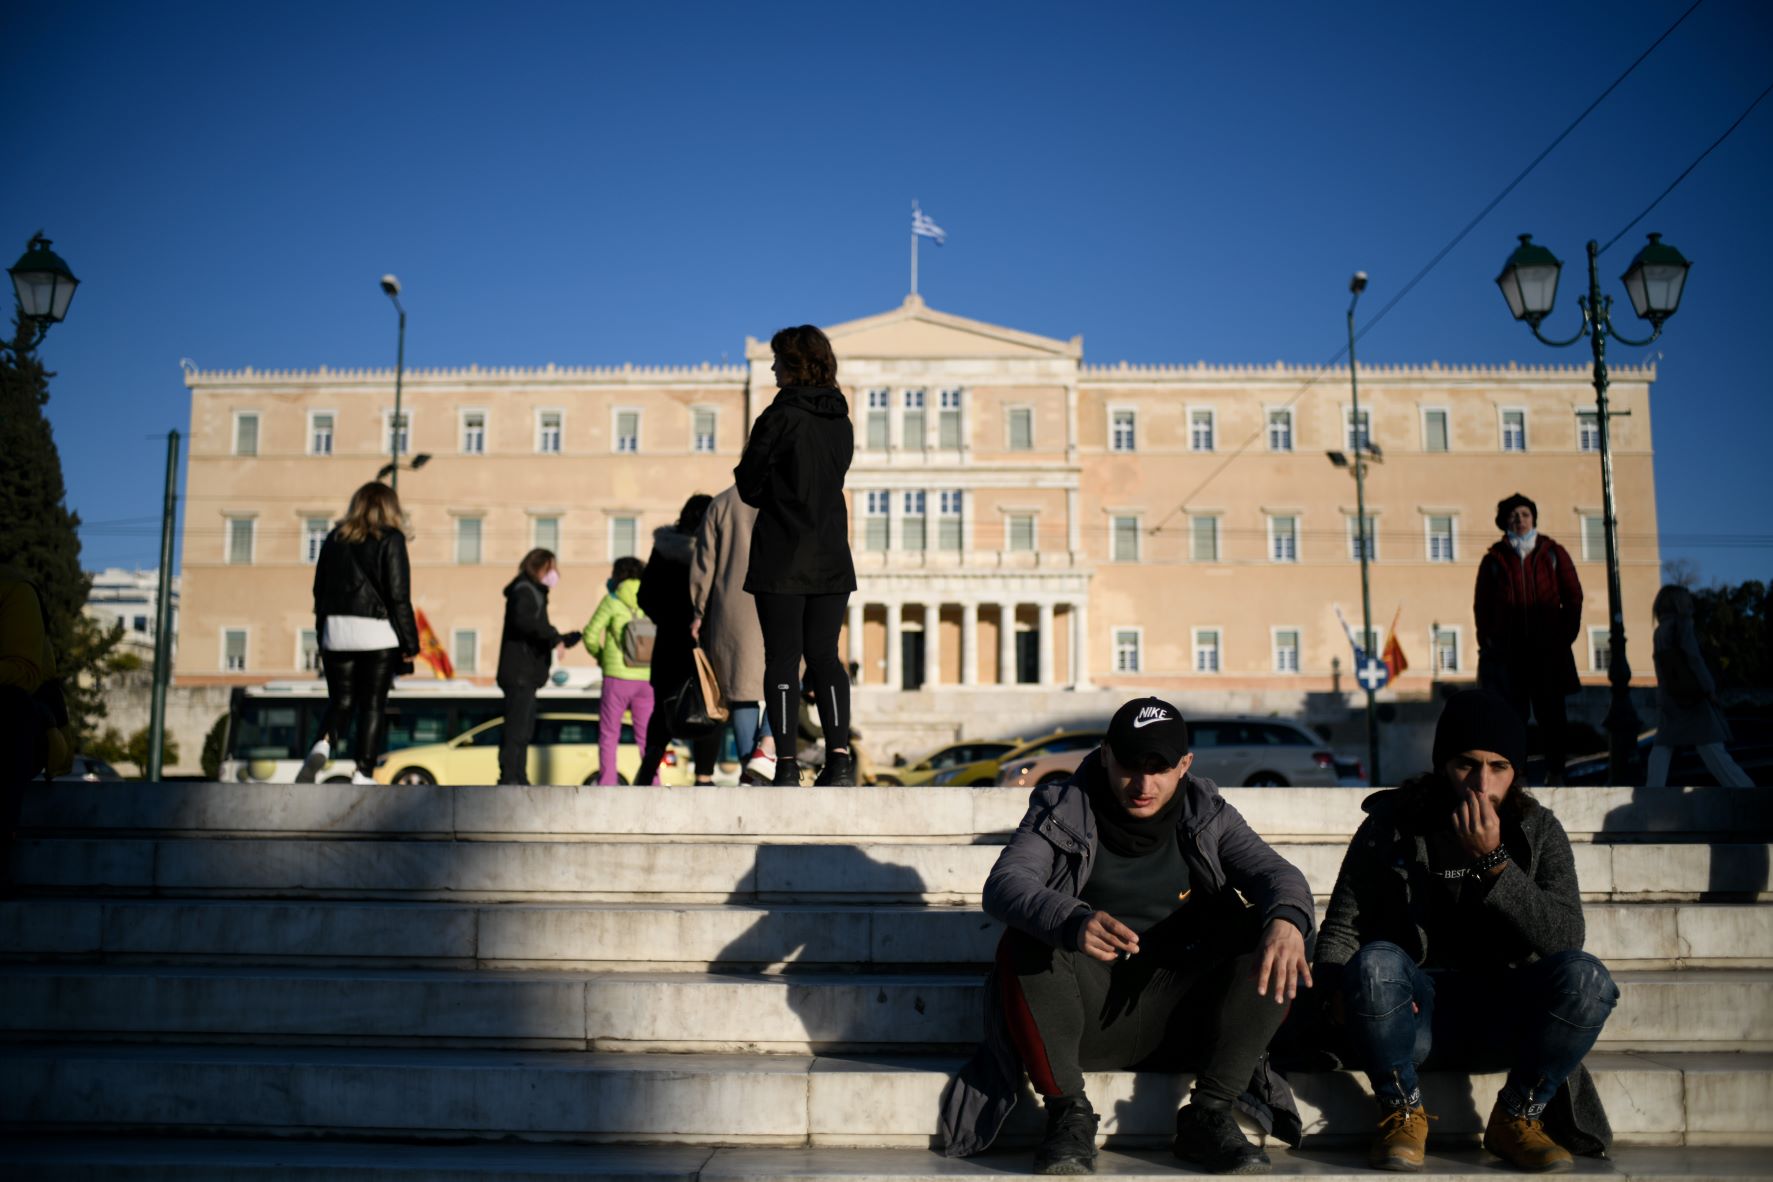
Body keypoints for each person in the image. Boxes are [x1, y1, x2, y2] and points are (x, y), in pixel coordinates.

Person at [939, 697, 1317, 1176]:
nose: (1143, 785)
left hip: (1186, 1016)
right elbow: (1006, 885)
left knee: (1274, 936)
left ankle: (1209, 1114)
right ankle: (1068, 1114)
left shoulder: (1208, 811)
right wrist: (1073, 920)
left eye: (1159, 768)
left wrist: (1286, 920)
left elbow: (1276, 873)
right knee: (1027, 938)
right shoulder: (1063, 805)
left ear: (1185, 765)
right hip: (1084, 1018)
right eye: (1129, 766)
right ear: (1104, 755)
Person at [1312, 689, 1618, 1173]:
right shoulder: (1392, 823)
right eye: (1466, 764)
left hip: (1507, 1014)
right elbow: (1342, 928)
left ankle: (1517, 1116)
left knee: (1589, 979)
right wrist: (1332, 993)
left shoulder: (1538, 830)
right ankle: (1402, 1110)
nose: (1482, 783)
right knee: (1373, 964)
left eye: (1499, 766)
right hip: (1412, 1015)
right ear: (1441, 764)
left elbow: (1565, 939)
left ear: (1516, 770)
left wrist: (1495, 863)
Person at [734, 324, 858, 787]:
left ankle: (785, 765)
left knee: (783, 659)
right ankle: (840, 760)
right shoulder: (840, 420)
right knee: (826, 657)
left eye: (777, 361)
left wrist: (776, 494)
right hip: (831, 553)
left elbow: (749, 483)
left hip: (783, 552)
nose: (771, 368)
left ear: (792, 365)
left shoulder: (779, 415)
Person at [297, 482, 420, 785]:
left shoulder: (333, 539)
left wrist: (322, 632)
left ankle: (321, 745)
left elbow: (319, 591)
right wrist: (410, 642)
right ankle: (363, 771)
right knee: (373, 704)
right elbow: (398, 595)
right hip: (377, 633)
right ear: (390, 507)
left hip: (335, 631)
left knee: (340, 700)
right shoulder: (391, 539)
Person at [1474, 493, 1583, 784]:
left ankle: (1556, 772)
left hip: (1548, 653)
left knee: (1552, 717)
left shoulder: (1553, 553)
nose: (1519, 519)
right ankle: (1515, 775)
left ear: (1533, 518)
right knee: (1511, 718)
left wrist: (1564, 636)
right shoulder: (1493, 560)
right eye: (1513, 515)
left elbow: (1573, 596)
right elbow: (1481, 605)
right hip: (1509, 655)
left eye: (1524, 514)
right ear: (1504, 522)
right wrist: (1488, 641)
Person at [689, 484, 775, 784]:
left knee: (741, 692)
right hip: (779, 599)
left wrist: (699, 610)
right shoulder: (785, 494)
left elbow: (704, 564)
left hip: (731, 608)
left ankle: (749, 767)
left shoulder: (721, 504)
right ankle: (767, 746)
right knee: (789, 675)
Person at [636, 494, 720, 787]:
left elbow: (644, 596)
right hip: (703, 645)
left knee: (663, 711)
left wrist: (667, 620)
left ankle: (648, 769)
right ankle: (704, 777)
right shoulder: (712, 553)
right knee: (710, 707)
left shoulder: (663, 550)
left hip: (668, 645)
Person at [1647, 584, 1753, 788]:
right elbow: (1694, 659)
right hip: (1692, 696)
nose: (1690, 602)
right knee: (1711, 744)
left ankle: (1653, 790)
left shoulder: (1660, 630)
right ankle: (1745, 788)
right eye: (1686, 599)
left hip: (1671, 697)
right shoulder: (1683, 624)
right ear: (1679, 602)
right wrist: (1709, 688)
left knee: (1663, 744)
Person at [495, 548, 581, 785]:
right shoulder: (524, 591)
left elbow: (534, 628)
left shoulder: (532, 592)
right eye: (551, 568)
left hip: (526, 673)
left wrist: (560, 638)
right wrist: (554, 637)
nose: (555, 574)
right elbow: (525, 623)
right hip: (520, 672)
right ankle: (511, 776)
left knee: (523, 729)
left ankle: (518, 775)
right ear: (540, 567)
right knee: (517, 729)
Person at [584, 555, 653, 786]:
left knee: (609, 734)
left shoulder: (612, 600)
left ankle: (607, 783)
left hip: (617, 677)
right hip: (647, 678)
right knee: (647, 738)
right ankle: (653, 783)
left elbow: (590, 635)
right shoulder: (651, 598)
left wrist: (602, 657)